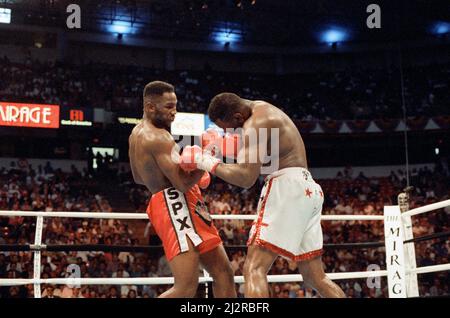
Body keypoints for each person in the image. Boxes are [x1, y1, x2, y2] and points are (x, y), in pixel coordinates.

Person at [187, 92, 345, 298]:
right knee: (315, 277)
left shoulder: (254, 124)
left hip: (286, 188)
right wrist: (222, 147)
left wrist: (204, 161)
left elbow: (246, 177)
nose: (234, 133)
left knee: (254, 269)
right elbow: (262, 155)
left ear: (237, 117)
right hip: (308, 189)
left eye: (230, 128)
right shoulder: (262, 109)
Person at [128, 81, 235, 298]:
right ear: (150, 107)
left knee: (224, 273)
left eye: (175, 105)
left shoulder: (135, 134)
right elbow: (183, 184)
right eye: (168, 107)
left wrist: (193, 170)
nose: (174, 112)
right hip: (175, 204)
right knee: (186, 287)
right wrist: (208, 155)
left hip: (176, 202)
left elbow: (138, 178)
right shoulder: (159, 137)